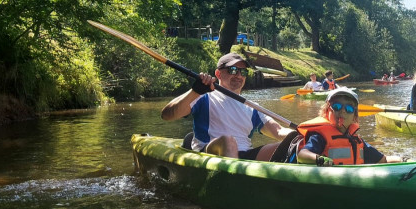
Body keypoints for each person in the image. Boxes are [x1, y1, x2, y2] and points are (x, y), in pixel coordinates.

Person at [161, 53, 294, 159]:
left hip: (244, 155)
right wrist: (194, 91)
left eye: (243, 72)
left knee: (293, 146)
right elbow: (167, 115)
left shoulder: (253, 107)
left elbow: (278, 131)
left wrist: (303, 134)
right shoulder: (203, 95)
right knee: (228, 141)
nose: (238, 75)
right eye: (233, 70)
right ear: (218, 73)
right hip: (210, 153)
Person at [290, 88, 400, 165]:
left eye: (349, 109)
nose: (343, 111)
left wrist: (403, 159)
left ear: (354, 117)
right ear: (327, 111)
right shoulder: (319, 136)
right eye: (337, 106)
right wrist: (320, 160)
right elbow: (302, 155)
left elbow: (383, 160)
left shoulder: (357, 140)